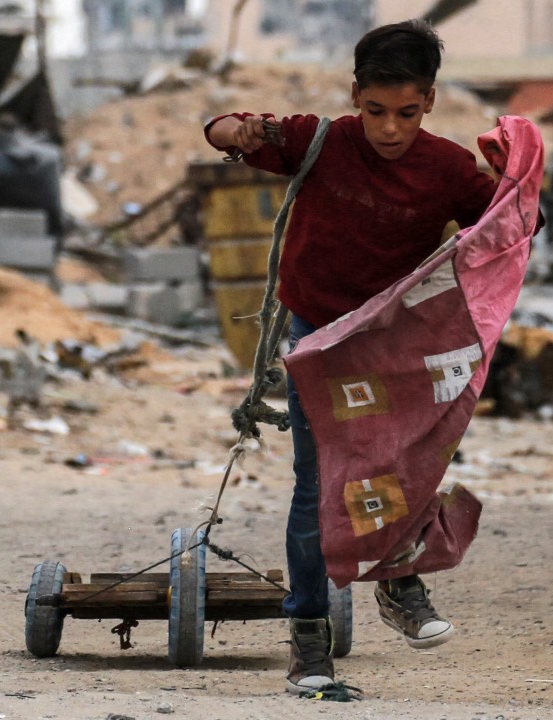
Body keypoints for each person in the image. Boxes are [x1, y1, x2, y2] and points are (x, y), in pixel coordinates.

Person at [204, 20, 500, 695]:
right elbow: (223, 126)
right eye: (374, 112)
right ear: (354, 96)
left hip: (392, 341)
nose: (389, 129)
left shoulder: (450, 169)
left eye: (405, 113)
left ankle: (398, 586)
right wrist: (236, 133)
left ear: (428, 101)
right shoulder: (320, 141)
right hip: (316, 340)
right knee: (320, 483)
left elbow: (511, 220)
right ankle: (310, 639)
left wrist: (517, 173)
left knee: (403, 465)